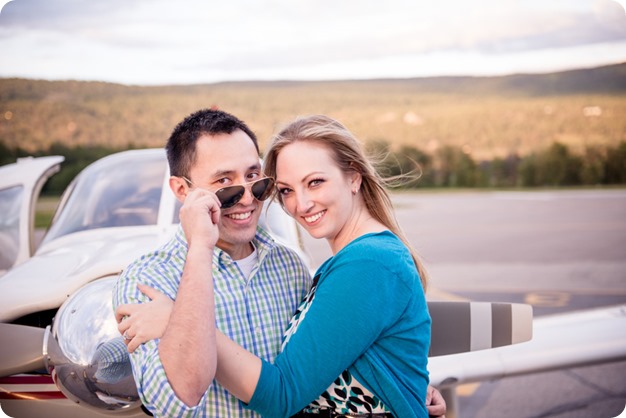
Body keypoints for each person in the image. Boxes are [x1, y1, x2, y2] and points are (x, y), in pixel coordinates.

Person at [114, 109, 445, 418]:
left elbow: (287, 391)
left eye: (254, 178)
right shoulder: (147, 279)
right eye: (224, 183)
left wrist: (175, 319)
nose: (245, 197)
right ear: (183, 190)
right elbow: (182, 394)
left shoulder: (302, 266)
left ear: (354, 178)